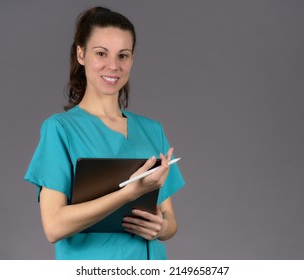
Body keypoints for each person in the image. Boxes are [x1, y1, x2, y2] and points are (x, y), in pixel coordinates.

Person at [24, 6, 185, 260]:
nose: (113, 66)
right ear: (81, 54)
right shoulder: (60, 130)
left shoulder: (152, 130)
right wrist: (127, 194)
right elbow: (54, 226)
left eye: (123, 55)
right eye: (101, 53)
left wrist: (162, 227)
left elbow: (170, 219)